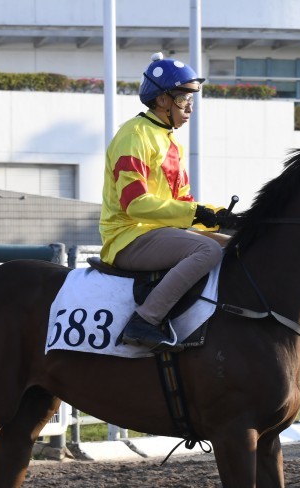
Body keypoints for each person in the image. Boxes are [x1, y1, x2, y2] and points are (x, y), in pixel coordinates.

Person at [99, 52, 235, 352]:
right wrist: (196, 213)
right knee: (208, 250)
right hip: (127, 237)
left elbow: (183, 202)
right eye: (184, 99)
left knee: (235, 246)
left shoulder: (170, 141)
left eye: (192, 100)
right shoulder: (134, 135)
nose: (190, 107)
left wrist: (219, 216)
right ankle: (144, 321)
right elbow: (135, 204)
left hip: (158, 233)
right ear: (162, 100)